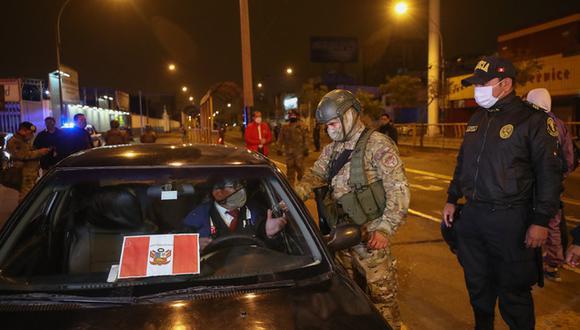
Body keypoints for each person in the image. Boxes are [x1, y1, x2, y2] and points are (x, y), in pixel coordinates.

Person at [442, 56, 562, 329]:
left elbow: (549, 174)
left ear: (506, 83)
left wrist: (541, 221)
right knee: (477, 285)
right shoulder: (477, 118)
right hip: (474, 215)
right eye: (475, 84)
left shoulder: (532, 120)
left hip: (511, 220)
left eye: (483, 83)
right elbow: (463, 162)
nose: (477, 89)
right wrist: (452, 198)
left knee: (514, 291)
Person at [294, 89, 409, 329]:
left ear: (349, 115)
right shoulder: (332, 150)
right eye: (326, 126)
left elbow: (398, 190)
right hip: (341, 238)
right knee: (348, 300)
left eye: (333, 123)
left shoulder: (377, 145)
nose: (329, 130)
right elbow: (315, 176)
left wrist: (385, 229)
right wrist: (296, 195)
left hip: (370, 239)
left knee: (382, 303)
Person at [526, 88, 575, 282]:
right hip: (553, 183)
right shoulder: (560, 125)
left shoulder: (530, 123)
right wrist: (559, 177)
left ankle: (530, 260)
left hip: (532, 182)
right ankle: (553, 263)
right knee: (552, 221)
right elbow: (569, 158)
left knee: (529, 219)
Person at [182, 177, 287, 249]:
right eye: (235, 186)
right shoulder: (197, 217)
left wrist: (270, 235)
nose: (241, 189)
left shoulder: (256, 210)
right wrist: (193, 247)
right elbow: (177, 246)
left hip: (253, 271)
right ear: (218, 193)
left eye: (241, 185)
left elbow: (274, 252)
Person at [6, 122, 51, 202]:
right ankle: (24, 213)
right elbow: (24, 155)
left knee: (30, 195)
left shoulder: (24, 141)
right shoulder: (15, 141)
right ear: (23, 130)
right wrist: (40, 152)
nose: (32, 135)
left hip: (30, 173)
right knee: (26, 198)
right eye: (30, 133)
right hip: (24, 173)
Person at [277, 110, 308, 186]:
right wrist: (279, 148)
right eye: (291, 115)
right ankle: (291, 192)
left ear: (297, 116)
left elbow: (306, 138)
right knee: (290, 174)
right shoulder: (285, 127)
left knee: (301, 173)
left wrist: (306, 149)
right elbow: (280, 138)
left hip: (299, 154)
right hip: (289, 154)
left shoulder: (302, 126)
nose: (292, 116)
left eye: (294, 115)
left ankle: (302, 190)